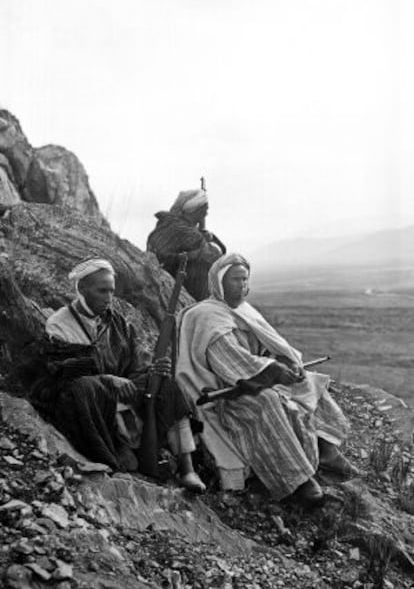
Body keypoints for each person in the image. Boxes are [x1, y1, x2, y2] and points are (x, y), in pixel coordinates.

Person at [176, 253, 358, 503]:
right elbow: (231, 363)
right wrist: (273, 370)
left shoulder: (243, 310)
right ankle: (297, 479)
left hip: (256, 377)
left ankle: (325, 449)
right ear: (218, 282)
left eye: (245, 279)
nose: (242, 286)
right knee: (268, 401)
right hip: (226, 393)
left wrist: (284, 363)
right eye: (235, 280)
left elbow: (266, 347)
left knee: (309, 381)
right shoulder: (206, 315)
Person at [30, 257, 205, 491]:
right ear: (82, 288)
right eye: (102, 291)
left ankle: (187, 469)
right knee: (82, 388)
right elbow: (59, 372)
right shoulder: (59, 324)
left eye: (111, 291)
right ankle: (115, 449)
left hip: (122, 392)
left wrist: (152, 372)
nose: (109, 298)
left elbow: (134, 365)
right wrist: (107, 380)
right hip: (89, 398)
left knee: (168, 385)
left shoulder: (118, 322)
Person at [147, 189, 226, 301]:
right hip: (181, 293)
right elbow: (216, 257)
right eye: (204, 209)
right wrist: (206, 239)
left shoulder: (166, 224)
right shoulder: (189, 234)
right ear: (194, 209)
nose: (206, 214)